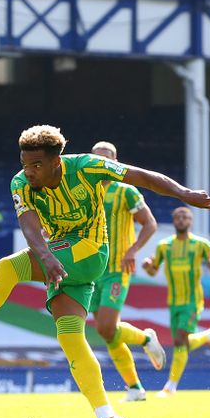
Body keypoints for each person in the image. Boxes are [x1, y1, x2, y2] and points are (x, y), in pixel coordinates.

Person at [0, 125, 210, 418]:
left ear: (56, 161)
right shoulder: (20, 183)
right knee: (71, 338)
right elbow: (29, 227)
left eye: (36, 165)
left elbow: (142, 176)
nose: (28, 171)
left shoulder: (86, 166)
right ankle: (108, 417)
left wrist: (184, 194)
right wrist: (46, 256)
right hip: (61, 256)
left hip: (91, 252)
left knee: (8, 267)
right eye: (25, 163)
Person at [88, 141, 163, 403]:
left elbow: (149, 223)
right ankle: (135, 388)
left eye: (107, 158)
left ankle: (145, 338)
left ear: (116, 163)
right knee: (107, 332)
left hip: (117, 269)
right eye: (97, 159)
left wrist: (133, 250)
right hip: (91, 270)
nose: (102, 163)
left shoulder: (126, 191)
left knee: (107, 326)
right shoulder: (84, 191)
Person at [142, 206, 210, 398]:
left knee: (180, 339)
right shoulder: (164, 246)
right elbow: (153, 270)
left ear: (190, 221)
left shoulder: (201, 244)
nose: (181, 219)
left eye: (185, 217)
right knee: (181, 344)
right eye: (178, 217)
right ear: (173, 221)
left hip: (193, 300)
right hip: (173, 301)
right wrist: (147, 266)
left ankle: (170, 387)